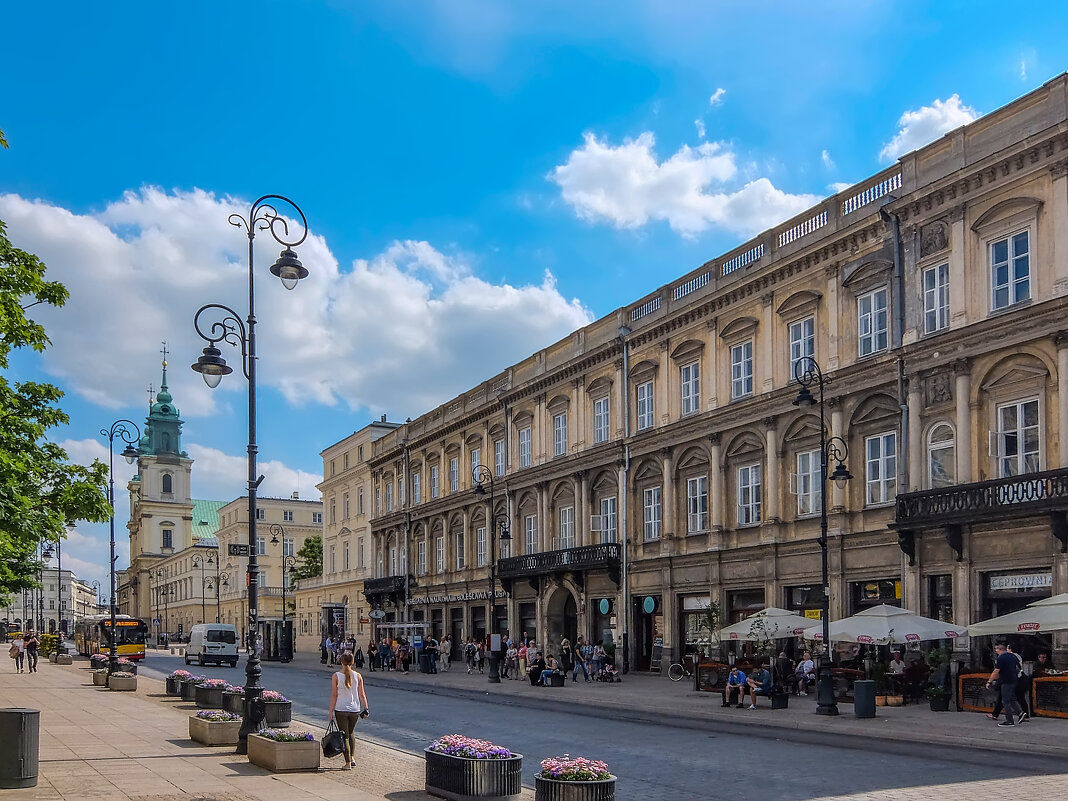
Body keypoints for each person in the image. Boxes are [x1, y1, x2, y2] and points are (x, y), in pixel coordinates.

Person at [328, 651, 370, 770]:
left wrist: (330, 711)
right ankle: (352, 758)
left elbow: (334, 695)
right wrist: (366, 708)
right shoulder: (358, 676)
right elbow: (362, 694)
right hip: (355, 710)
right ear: (352, 662)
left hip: (341, 709)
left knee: (344, 735)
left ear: (341, 661)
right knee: (351, 733)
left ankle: (347, 763)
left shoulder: (336, 676)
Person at [988, 642, 1029, 722]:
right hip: (1015, 680)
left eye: (996, 649)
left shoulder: (1001, 658)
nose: (995, 651)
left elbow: (996, 671)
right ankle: (1021, 713)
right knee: (1012, 699)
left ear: (1000, 649)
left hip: (1006, 680)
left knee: (1005, 700)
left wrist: (989, 681)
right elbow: (1018, 668)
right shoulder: (1013, 656)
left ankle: (1009, 721)